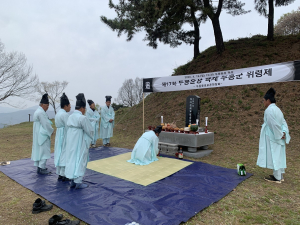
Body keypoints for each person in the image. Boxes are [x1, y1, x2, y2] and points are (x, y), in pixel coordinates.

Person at [257, 88, 291, 183]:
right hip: (278, 136)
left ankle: (277, 178)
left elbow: (273, 124)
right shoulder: (278, 110)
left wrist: (280, 134)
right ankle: (279, 175)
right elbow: (283, 122)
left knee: (275, 155)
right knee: (279, 155)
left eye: (263, 101)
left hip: (273, 137)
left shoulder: (269, 110)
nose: (263, 103)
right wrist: (284, 132)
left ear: (268, 100)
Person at [64, 93, 94, 189]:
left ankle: (72, 180)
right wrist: (91, 137)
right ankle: (78, 181)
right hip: (80, 140)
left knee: (71, 158)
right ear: (82, 108)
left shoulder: (70, 116)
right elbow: (90, 130)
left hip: (71, 139)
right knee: (80, 158)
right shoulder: (82, 118)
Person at [31, 93, 54, 175]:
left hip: (38, 133)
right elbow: (46, 124)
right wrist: (51, 130)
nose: (47, 108)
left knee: (40, 150)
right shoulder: (41, 113)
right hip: (42, 134)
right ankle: (42, 167)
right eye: (47, 106)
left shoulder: (38, 111)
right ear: (43, 105)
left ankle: (40, 167)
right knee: (44, 151)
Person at [54, 93, 71, 181]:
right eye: (69, 106)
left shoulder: (58, 114)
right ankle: (64, 173)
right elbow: (68, 126)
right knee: (64, 152)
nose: (70, 107)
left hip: (59, 134)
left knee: (59, 152)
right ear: (66, 106)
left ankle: (60, 172)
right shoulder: (65, 115)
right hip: (64, 134)